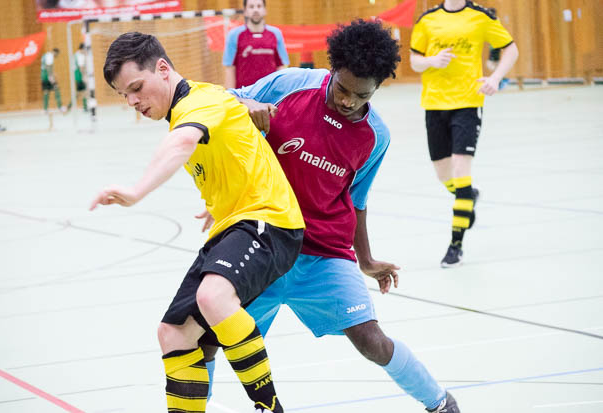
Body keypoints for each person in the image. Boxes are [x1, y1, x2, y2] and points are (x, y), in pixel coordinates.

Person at [202, 19, 460, 413]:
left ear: (377, 88)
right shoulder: (291, 84)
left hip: (323, 253)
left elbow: (357, 200)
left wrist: (366, 260)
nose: (348, 101)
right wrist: (245, 104)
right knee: (207, 338)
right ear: (333, 68)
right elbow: (217, 100)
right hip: (262, 242)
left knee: (372, 340)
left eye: (362, 95)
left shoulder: (376, 136)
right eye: (342, 89)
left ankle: (440, 402)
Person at [89, 32, 305, 413]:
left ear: (163, 69)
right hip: (234, 224)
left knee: (212, 297)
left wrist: (137, 191)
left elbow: (181, 144)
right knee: (173, 333)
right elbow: (235, 147)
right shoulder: (192, 107)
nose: (133, 101)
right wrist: (219, 199)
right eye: (125, 96)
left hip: (270, 221)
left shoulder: (198, 104)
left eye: (136, 88)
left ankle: (270, 408)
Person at [410, 0, 518, 267]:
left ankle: (455, 245)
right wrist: (432, 61)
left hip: (468, 103)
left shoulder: (480, 17)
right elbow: (414, 61)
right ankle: (468, 195)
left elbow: (511, 49)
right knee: (444, 174)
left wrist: (495, 78)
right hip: (434, 104)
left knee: (461, 169)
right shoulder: (427, 19)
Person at [223, 0, 288, 89]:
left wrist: (283, 91)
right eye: (251, 7)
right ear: (245, 11)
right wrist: (230, 94)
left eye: (259, 6)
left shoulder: (276, 33)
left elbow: (282, 66)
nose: (255, 10)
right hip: (245, 94)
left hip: (270, 93)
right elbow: (230, 68)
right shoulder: (234, 35)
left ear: (265, 10)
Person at [41, 48, 68, 114]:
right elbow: (48, 67)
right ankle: (60, 107)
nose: (57, 56)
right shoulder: (50, 56)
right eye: (57, 54)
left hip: (43, 76)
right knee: (56, 89)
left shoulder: (45, 55)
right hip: (48, 76)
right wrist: (51, 76)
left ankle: (45, 109)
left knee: (46, 92)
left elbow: (45, 66)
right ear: (55, 52)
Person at [74, 43, 89, 112]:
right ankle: (85, 107)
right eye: (84, 50)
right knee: (84, 92)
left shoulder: (76, 54)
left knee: (80, 92)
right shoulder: (80, 56)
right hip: (80, 75)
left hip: (77, 75)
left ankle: (85, 106)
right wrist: (84, 77)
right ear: (82, 49)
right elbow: (81, 67)